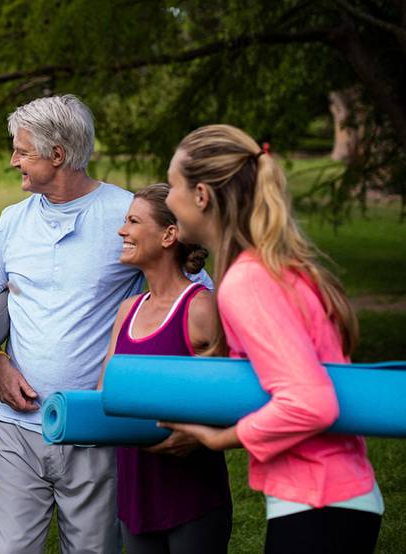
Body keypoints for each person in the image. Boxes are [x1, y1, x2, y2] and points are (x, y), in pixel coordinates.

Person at [0, 94, 209, 554]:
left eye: (22, 150)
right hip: (16, 428)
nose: (13, 159)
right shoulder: (12, 221)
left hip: (97, 429)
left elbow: (192, 295)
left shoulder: (126, 215)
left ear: (57, 155)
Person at [161, 124, 382, 553]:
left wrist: (217, 438)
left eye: (172, 186)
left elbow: (310, 402)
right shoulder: (274, 267)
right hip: (334, 498)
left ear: (202, 195)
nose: (168, 200)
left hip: (318, 501)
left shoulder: (247, 281)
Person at [98, 183, 231, 553]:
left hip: (192, 497)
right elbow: (103, 395)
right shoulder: (128, 310)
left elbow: (244, 393)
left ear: (170, 235)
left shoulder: (201, 309)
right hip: (136, 496)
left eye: (134, 221)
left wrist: (202, 434)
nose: (122, 231)